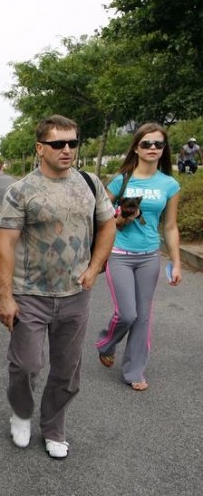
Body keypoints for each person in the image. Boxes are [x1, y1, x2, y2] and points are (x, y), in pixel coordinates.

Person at [0, 115, 115, 459]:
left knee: (67, 369)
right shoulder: (21, 191)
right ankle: (20, 412)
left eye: (73, 143)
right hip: (29, 294)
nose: (67, 150)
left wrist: (94, 268)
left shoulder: (91, 184)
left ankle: (54, 428)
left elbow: (108, 227)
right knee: (26, 365)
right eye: (58, 144)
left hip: (76, 295)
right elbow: (5, 244)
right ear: (40, 148)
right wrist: (5, 297)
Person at [96, 122, 182, 391]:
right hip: (119, 254)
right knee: (127, 314)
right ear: (136, 147)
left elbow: (170, 226)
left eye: (158, 144)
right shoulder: (122, 179)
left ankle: (134, 371)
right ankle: (106, 343)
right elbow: (101, 212)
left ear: (164, 149)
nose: (153, 148)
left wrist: (176, 262)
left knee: (143, 316)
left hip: (149, 257)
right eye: (146, 143)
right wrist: (119, 216)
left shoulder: (170, 184)